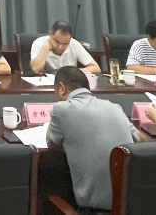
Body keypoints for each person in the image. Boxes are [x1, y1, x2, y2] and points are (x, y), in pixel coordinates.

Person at [47, 66, 140, 215]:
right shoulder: (114, 107)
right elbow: (138, 139)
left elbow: (51, 144)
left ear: (61, 88)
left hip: (93, 211)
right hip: (129, 207)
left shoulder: (62, 109)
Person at [30, 21, 101, 74]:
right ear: (50, 34)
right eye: (57, 42)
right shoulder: (39, 43)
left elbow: (96, 68)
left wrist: (72, 72)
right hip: (45, 84)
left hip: (68, 83)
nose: (60, 47)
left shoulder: (74, 44)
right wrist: (46, 47)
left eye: (65, 43)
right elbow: (36, 69)